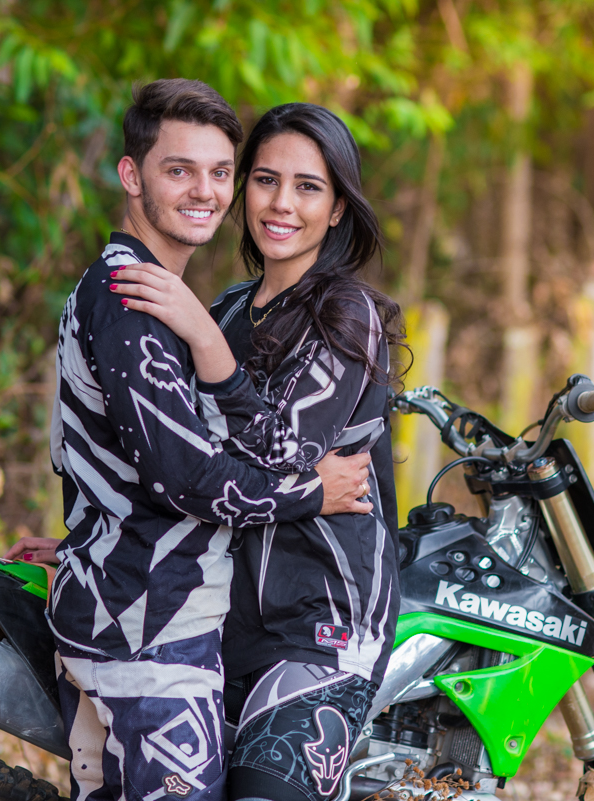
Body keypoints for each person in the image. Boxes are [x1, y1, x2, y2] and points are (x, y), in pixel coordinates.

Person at [6, 81, 373, 801]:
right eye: (179, 170)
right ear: (131, 174)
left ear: (336, 208)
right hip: (157, 630)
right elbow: (188, 475)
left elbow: (135, 457)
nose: (206, 190)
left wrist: (102, 532)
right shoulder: (147, 303)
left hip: (183, 611)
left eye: (219, 172)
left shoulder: (186, 304)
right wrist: (314, 490)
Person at [111, 103, 405, 801]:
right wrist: (99, 536)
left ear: (337, 209)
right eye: (266, 180)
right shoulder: (231, 309)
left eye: (308, 187)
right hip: (215, 609)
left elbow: (282, 450)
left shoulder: (346, 315)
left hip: (319, 624)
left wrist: (203, 342)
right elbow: (182, 461)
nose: (281, 203)